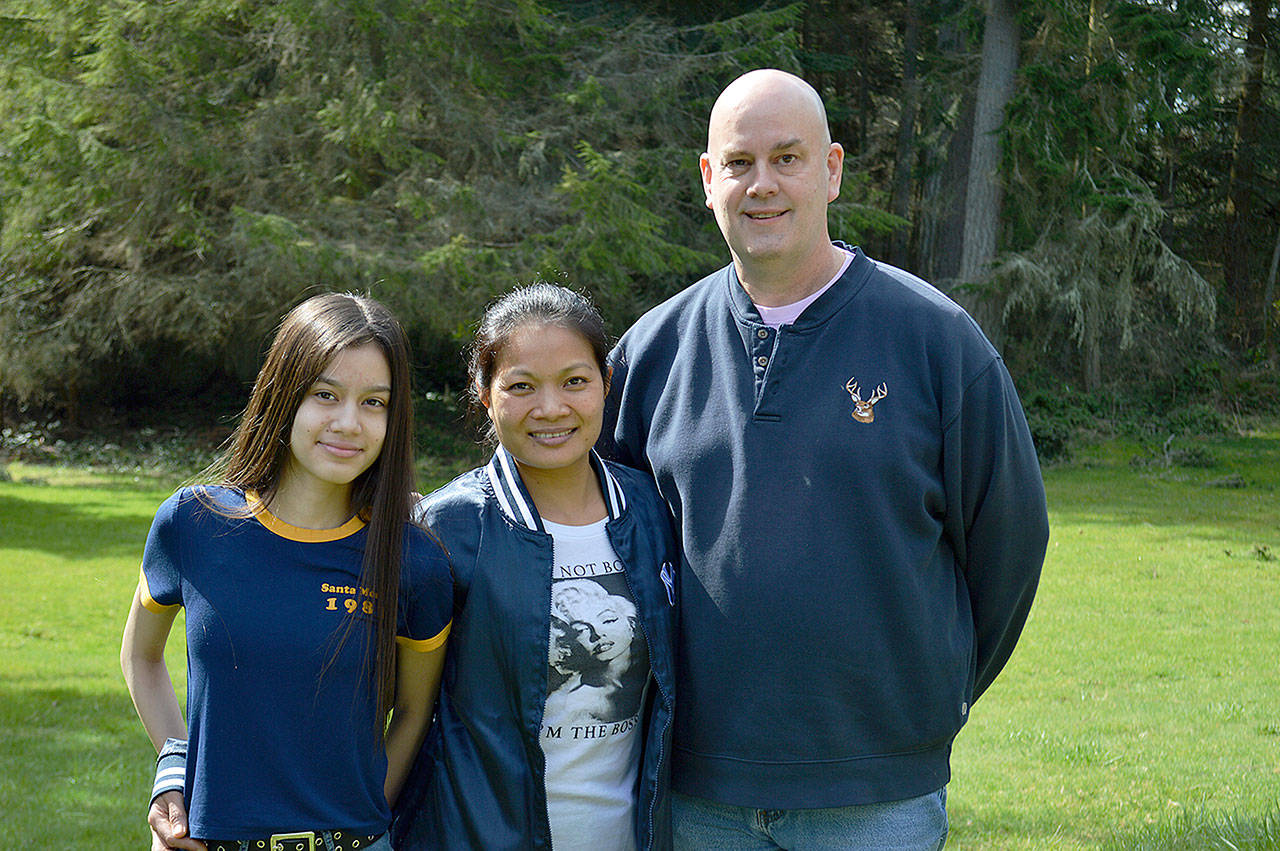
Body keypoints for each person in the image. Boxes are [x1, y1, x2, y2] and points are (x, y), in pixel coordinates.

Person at [600, 69, 1050, 849]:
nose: (762, 184)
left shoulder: (937, 342)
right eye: (739, 163)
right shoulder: (650, 353)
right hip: (699, 792)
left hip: (876, 797)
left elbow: (1009, 545)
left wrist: (925, 699)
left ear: (833, 169)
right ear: (709, 180)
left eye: (788, 158)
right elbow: (596, 543)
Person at [121, 293, 453, 851]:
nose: (349, 423)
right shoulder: (193, 523)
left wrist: (365, 818)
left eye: (375, 403)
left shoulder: (414, 561)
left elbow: (415, 712)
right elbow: (140, 656)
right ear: (283, 392)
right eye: (326, 394)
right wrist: (174, 766)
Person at [391, 283, 678, 851]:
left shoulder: (651, 509)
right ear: (483, 393)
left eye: (575, 381)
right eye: (521, 387)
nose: (551, 409)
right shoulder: (448, 528)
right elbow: (388, 707)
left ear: (605, 385)